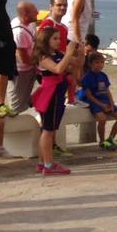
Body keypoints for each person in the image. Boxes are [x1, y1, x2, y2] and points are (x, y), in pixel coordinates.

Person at [32, 27, 82, 175]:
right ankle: (48, 164)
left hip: (58, 94)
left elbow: (77, 63)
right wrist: (68, 53)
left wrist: (80, 49)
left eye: (59, 38)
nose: (58, 41)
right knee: (48, 131)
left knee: (49, 130)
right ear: (46, 40)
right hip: (50, 95)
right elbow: (59, 69)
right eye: (54, 39)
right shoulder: (43, 57)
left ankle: (43, 162)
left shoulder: (58, 53)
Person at [78, 52, 117, 150]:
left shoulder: (103, 75)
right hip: (95, 102)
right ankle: (102, 141)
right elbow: (89, 96)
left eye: (102, 62)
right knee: (102, 119)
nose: (100, 65)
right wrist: (102, 105)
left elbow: (108, 91)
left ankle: (111, 139)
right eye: (97, 62)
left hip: (105, 100)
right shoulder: (87, 77)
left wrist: (112, 104)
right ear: (90, 64)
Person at [7, 1, 39, 114]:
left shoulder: (28, 24)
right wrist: (39, 64)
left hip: (28, 69)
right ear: (26, 15)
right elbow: (23, 58)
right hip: (21, 71)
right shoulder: (19, 32)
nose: (38, 12)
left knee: (24, 98)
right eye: (35, 11)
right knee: (16, 102)